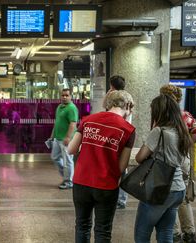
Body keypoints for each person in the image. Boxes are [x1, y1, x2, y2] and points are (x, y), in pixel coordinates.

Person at [68, 90, 135, 243]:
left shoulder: (88, 120)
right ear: (127, 106)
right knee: (103, 231)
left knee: (82, 226)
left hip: (81, 182)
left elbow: (71, 149)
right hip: (106, 185)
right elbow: (121, 167)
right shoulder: (128, 130)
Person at [134, 94, 192, 243]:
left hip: (160, 188)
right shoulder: (182, 131)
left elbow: (139, 158)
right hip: (178, 189)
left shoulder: (159, 131)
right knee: (166, 232)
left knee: (142, 233)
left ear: (159, 112)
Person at [159, 84, 196, 243]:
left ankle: (174, 234)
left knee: (169, 196)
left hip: (166, 160)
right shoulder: (187, 116)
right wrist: (183, 143)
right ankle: (190, 234)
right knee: (182, 197)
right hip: (183, 160)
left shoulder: (162, 117)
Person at [103, 75, 129, 209]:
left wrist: (108, 93)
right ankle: (121, 198)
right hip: (126, 133)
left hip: (116, 133)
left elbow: (104, 106)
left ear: (112, 85)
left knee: (115, 167)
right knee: (122, 168)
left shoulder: (113, 96)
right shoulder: (128, 96)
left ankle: (118, 198)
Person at [50, 88, 79, 189]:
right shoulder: (59, 107)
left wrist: (68, 137)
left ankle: (69, 181)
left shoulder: (71, 108)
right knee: (55, 157)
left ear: (71, 96)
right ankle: (67, 177)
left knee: (68, 161)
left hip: (67, 140)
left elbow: (73, 123)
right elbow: (57, 122)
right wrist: (52, 136)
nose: (64, 97)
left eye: (67, 95)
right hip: (57, 139)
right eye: (63, 95)